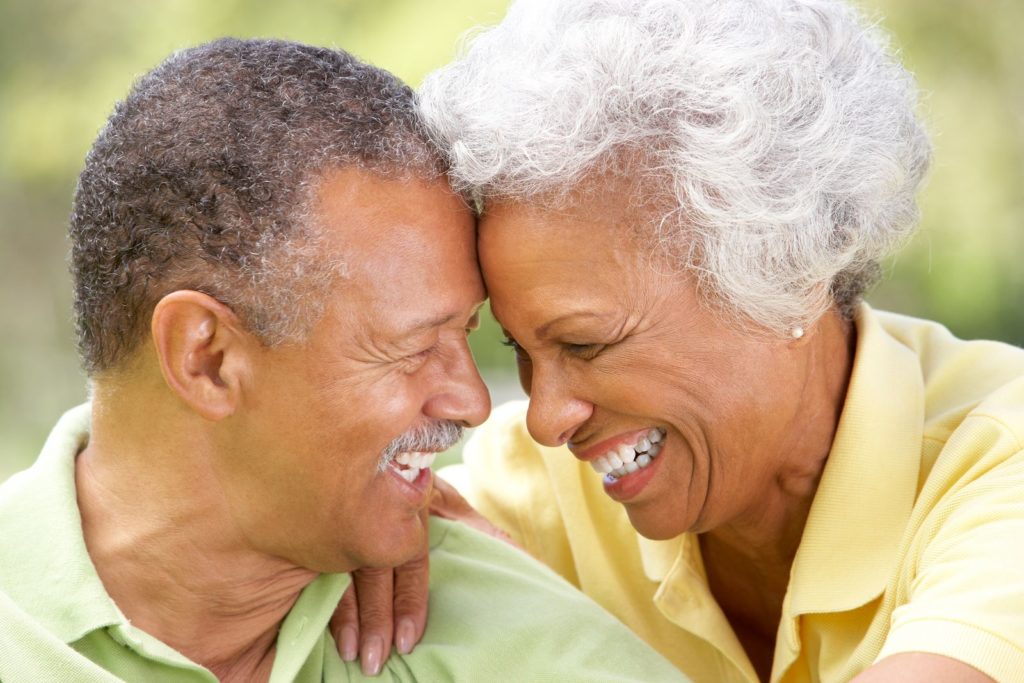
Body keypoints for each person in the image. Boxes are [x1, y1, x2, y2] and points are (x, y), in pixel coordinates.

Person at [0, 37, 689, 682]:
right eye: (415, 346)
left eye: (470, 333)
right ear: (206, 358)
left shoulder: (531, 650)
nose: (474, 402)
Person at [411, 0, 1024, 681]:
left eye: (584, 345)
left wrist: (568, 643)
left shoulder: (1001, 452)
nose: (547, 420)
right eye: (521, 352)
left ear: (783, 269)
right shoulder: (530, 487)